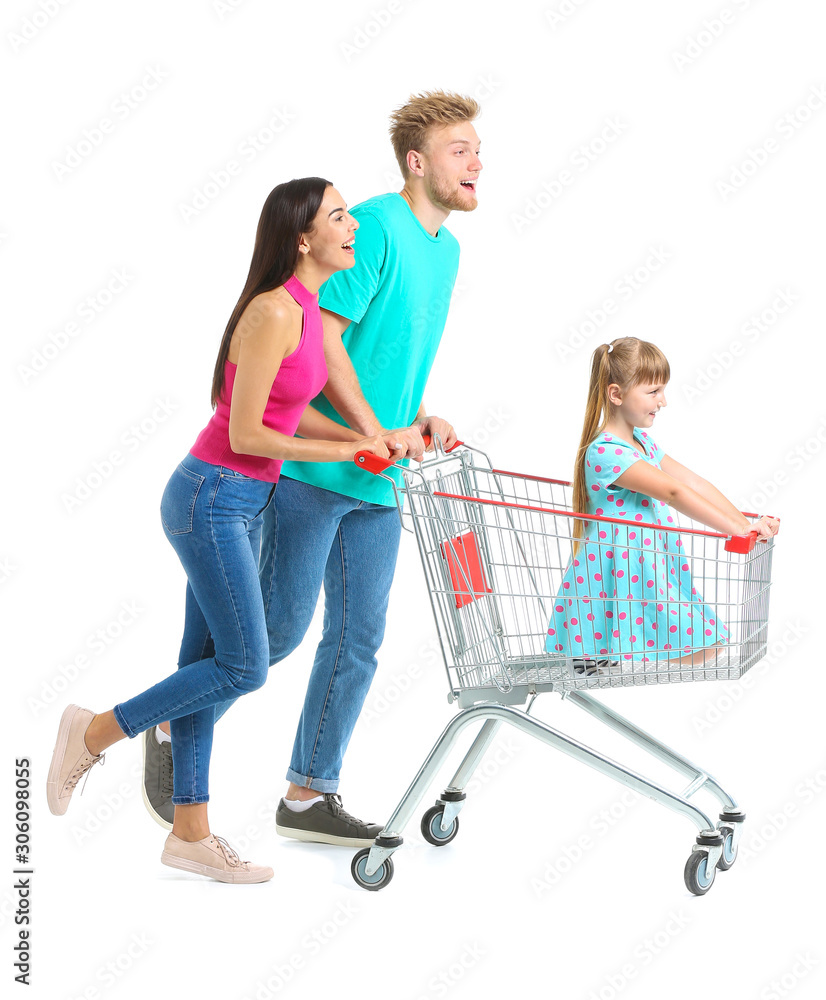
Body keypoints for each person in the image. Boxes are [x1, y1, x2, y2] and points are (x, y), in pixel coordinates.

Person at [142, 90, 483, 844]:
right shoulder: (376, 229)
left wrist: (412, 423)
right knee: (277, 636)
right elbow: (315, 352)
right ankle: (167, 723)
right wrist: (359, 434)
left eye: (477, 148)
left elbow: (391, 363)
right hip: (312, 475)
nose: (477, 161)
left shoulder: (448, 249)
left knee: (359, 638)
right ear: (417, 161)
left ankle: (307, 795)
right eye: (460, 149)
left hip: (380, 475)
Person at [47, 178, 391, 883]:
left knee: (202, 670)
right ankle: (92, 731)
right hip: (210, 498)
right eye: (339, 215)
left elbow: (289, 413)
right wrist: (344, 452)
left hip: (243, 502)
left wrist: (370, 437)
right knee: (244, 665)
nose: (353, 224)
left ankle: (190, 835)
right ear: (303, 238)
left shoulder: (305, 306)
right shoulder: (271, 312)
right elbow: (244, 429)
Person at [545, 337, 779, 672]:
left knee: (708, 641)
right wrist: (739, 529)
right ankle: (611, 655)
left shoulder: (641, 443)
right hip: (618, 576)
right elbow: (673, 493)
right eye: (653, 391)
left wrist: (746, 520)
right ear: (616, 394)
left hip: (649, 570)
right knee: (707, 643)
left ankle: (616, 657)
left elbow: (692, 483)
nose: (663, 401)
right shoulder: (606, 451)